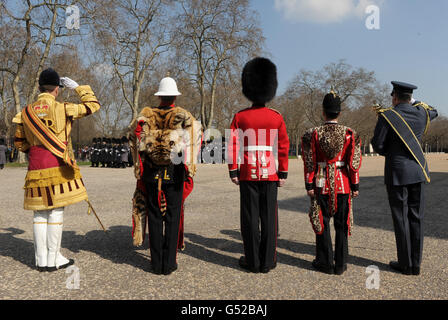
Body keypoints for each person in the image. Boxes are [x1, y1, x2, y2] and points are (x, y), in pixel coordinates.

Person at [12, 68, 100, 272]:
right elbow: (93, 106)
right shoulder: (64, 108)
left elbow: (19, 143)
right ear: (57, 90)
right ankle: (54, 257)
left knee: (39, 214)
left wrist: (35, 148)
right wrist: (78, 88)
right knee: (56, 211)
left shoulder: (24, 113)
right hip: (58, 167)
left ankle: (40, 259)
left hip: (35, 169)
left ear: (38, 87)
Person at [129, 76, 201, 275]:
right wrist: (189, 167)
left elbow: (134, 138)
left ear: (159, 96)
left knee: (154, 215)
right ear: (174, 97)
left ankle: (156, 262)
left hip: (152, 173)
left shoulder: (146, 115)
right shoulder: (183, 115)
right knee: (172, 215)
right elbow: (195, 138)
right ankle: (169, 263)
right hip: (175, 171)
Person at [228, 57, 290, 273]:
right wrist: (283, 172)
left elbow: (232, 144)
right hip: (270, 172)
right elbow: (283, 145)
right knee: (270, 218)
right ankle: (268, 260)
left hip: (246, 172)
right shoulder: (276, 117)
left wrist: (233, 170)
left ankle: (252, 260)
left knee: (249, 218)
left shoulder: (240, 117)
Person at [371, 81, 438, 276]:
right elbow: (432, 110)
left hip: (397, 172)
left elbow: (378, 145)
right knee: (417, 217)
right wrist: (414, 102)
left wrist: (391, 153)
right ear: (410, 97)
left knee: (401, 218)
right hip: (418, 171)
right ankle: (415, 264)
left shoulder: (388, 116)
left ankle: (405, 263)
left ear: (395, 96)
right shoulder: (421, 113)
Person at [301, 90, 362, 275]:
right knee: (342, 226)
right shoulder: (350, 133)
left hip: (321, 183)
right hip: (343, 182)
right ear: (339, 113)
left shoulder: (312, 134)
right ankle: (341, 263)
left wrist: (309, 184)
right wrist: (355, 184)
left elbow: (309, 162)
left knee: (322, 223)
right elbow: (354, 162)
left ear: (323, 111)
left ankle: (325, 262)